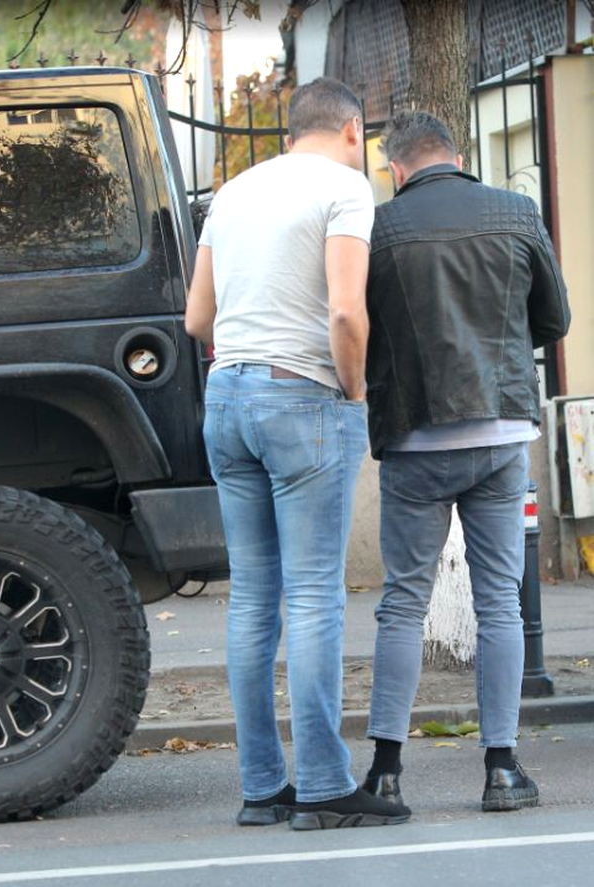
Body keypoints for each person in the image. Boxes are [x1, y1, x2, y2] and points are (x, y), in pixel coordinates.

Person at [185, 77, 410, 830]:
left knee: (254, 599)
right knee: (314, 595)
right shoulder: (344, 189)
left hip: (227, 397)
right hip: (303, 395)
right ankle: (320, 784)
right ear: (350, 130)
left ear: (289, 134)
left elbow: (197, 317)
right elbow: (346, 310)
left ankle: (262, 787)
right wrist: (353, 390)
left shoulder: (232, 192)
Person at [361, 111, 570, 812]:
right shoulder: (517, 212)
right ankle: (502, 769)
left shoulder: (378, 228)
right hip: (501, 429)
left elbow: (360, 329)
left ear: (396, 167)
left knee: (402, 603)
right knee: (500, 602)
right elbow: (555, 320)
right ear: (457, 155)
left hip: (415, 434)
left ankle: (386, 772)